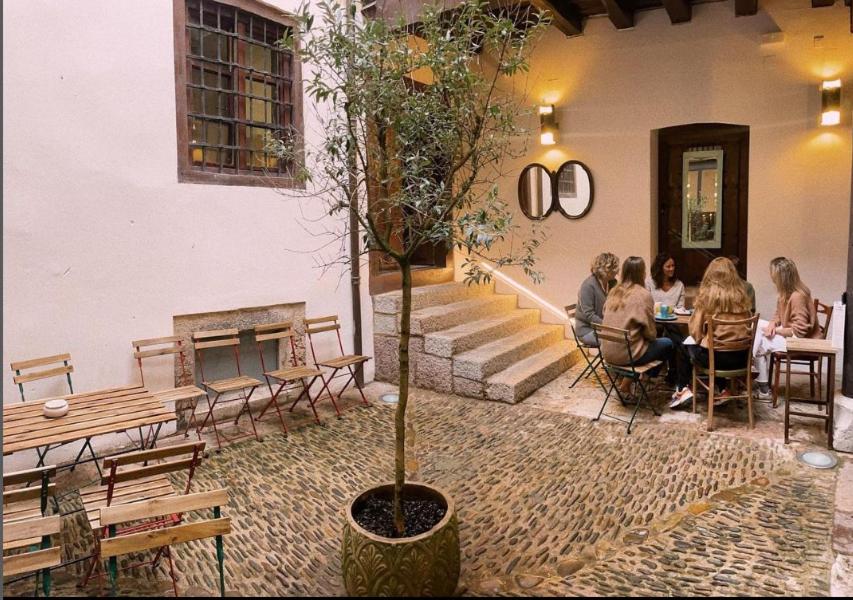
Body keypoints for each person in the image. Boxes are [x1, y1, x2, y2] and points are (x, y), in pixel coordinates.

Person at [670, 257, 753, 409]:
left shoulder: (707, 299)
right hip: (742, 358)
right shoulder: (742, 298)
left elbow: (695, 332)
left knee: (684, 347)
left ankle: (683, 389)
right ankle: (724, 390)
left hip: (716, 359)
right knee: (716, 347)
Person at [600, 257, 674, 393]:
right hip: (628, 355)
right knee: (668, 343)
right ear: (642, 273)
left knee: (639, 339)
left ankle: (628, 382)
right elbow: (651, 334)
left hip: (607, 353)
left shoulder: (613, 292)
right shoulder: (643, 295)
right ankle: (646, 379)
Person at [752, 257, 820, 399]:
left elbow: (800, 331)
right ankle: (752, 367)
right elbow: (779, 313)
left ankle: (759, 383)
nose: (771, 277)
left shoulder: (797, 297)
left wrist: (776, 331)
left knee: (760, 343)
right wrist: (772, 324)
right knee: (755, 324)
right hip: (789, 334)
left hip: (801, 341)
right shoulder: (785, 293)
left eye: (773, 274)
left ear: (781, 277)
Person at [575, 253, 620, 347]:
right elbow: (589, 315)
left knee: (629, 339)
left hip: (604, 328)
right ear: (606, 270)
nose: (617, 271)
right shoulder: (588, 286)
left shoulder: (612, 283)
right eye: (615, 268)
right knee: (618, 343)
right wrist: (609, 326)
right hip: (587, 331)